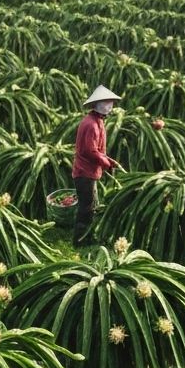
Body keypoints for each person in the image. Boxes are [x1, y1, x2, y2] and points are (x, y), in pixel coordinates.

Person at [72, 85, 122, 247]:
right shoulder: (91, 125)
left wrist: (109, 160)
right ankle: (80, 240)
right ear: (99, 104)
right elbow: (90, 151)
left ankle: (88, 235)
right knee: (86, 207)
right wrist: (106, 163)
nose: (110, 105)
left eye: (111, 102)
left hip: (89, 171)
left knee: (90, 205)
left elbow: (98, 150)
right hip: (84, 172)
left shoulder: (97, 121)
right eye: (107, 102)